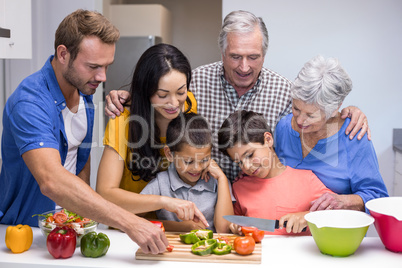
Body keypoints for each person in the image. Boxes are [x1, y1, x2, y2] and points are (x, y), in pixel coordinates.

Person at [0, 9, 198, 254]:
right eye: (93, 66)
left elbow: (79, 161)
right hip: (27, 234)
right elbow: (52, 181)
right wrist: (130, 222)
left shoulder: (84, 92)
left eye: (106, 66)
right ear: (63, 54)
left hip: (71, 229)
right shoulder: (29, 103)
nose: (103, 77)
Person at [104, 10, 370, 182]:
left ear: (264, 54)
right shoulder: (194, 84)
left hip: (259, 206)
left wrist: (346, 112)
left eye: (253, 57)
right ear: (222, 53)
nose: (244, 67)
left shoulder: (286, 92)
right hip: (203, 204)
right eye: (235, 57)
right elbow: (163, 97)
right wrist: (131, 95)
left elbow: (312, 118)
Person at [96, 43, 208, 230]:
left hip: (174, 225)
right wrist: (163, 202)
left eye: (181, 91)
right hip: (129, 227)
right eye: (162, 95)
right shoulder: (122, 121)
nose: (174, 103)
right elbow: (105, 194)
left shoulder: (188, 105)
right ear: (145, 91)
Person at [274, 55, 389, 212]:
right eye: (296, 109)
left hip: (335, 230)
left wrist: (344, 201)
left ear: (335, 109)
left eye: (310, 115)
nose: (300, 120)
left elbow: (377, 197)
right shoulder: (283, 128)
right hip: (289, 230)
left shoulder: (353, 135)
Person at [218, 110, 333, 235]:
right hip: (260, 253)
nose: (246, 166)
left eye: (250, 155)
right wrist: (236, 228)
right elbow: (234, 225)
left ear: (268, 139)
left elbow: (340, 215)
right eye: (238, 162)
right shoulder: (239, 187)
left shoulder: (307, 180)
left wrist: (308, 217)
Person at [140, 112, 233, 233]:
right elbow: (131, 218)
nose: (197, 168)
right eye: (188, 161)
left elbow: (224, 230)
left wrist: (222, 178)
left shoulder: (218, 181)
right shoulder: (161, 183)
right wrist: (180, 227)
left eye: (204, 160)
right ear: (169, 154)